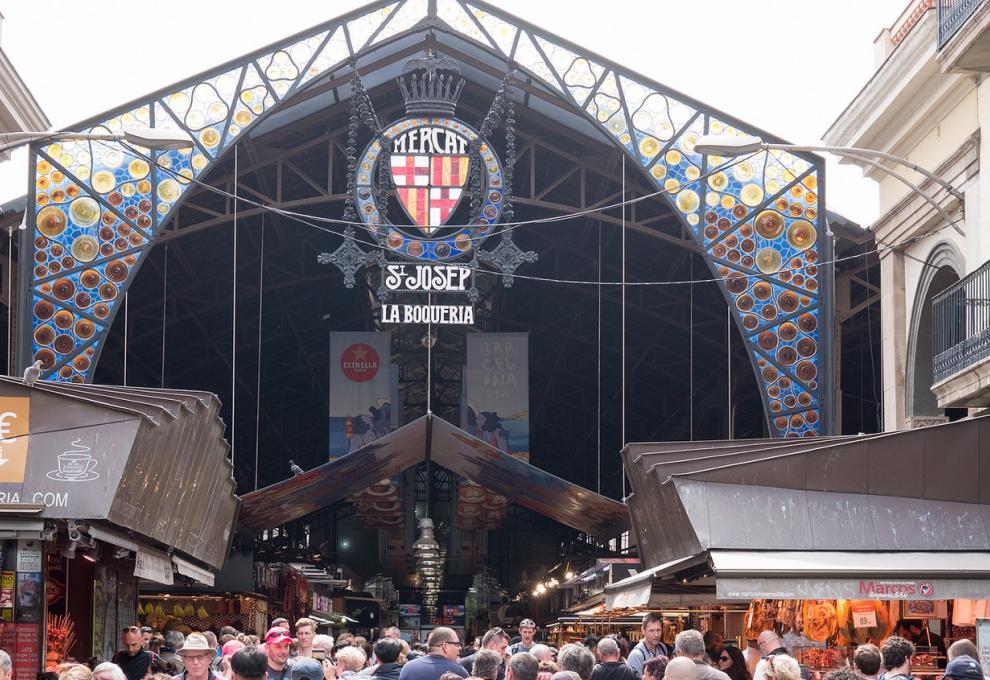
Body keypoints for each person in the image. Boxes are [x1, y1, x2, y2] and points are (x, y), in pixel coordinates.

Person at [399, 628, 469, 680]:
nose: (459, 648)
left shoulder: (408, 667)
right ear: (445, 646)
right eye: (457, 644)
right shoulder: (458, 671)